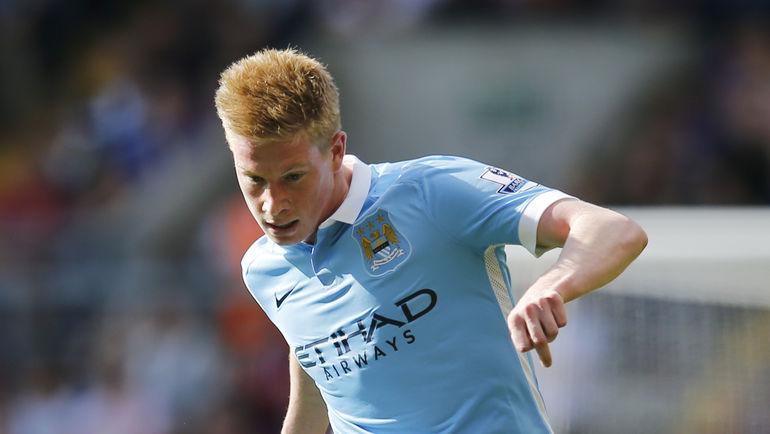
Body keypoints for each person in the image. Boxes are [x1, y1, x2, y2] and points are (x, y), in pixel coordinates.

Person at [214, 48, 647, 434]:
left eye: (293, 177)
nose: (272, 204)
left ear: (335, 150)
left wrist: (551, 285)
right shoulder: (263, 269)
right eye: (254, 180)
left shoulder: (432, 192)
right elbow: (320, 361)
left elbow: (613, 230)